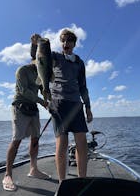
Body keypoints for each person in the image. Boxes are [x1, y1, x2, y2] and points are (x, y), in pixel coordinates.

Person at [2, 34, 51, 192]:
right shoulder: (22, 70)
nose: (38, 60)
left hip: (33, 109)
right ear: (34, 57)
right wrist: (42, 102)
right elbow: (23, 91)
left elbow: (43, 89)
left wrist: (47, 97)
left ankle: (33, 169)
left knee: (35, 139)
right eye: (36, 57)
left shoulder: (41, 73)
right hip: (20, 107)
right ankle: (7, 175)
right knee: (16, 140)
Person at [49, 29, 93, 183]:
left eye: (69, 41)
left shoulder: (79, 62)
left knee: (82, 142)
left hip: (76, 104)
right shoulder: (55, 56)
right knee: (62, 143)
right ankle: (62, 182)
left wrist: (88, 107)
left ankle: (82, 180)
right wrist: (35, 45)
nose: (65, 43)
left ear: (74, 43)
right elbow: (38, 55)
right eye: (63, 40)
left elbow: (83, 87)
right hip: (59, 103)